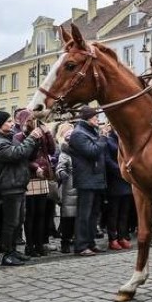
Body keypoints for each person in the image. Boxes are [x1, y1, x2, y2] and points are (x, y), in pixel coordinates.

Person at [0, 111, 43, 266]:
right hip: (8, 185)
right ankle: (7, 254)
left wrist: (35, 141)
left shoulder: (9, 138)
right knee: (10, 222)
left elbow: (27, 155)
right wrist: (31, 138)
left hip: (18, 185)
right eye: (8, 121)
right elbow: (17, 154)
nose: (12, 124)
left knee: (17, 221)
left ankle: (14, 250)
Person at [14, 109, 56, 257]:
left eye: (35, 119)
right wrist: (35, 166)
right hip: (30, 177)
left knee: (41, 213)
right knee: (30, 214)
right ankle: (30, 245)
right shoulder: (19, 136)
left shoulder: (41, 134)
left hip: (43, 175)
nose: (33, 121)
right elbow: (22, 156)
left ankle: (39, 245)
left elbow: (51, 150)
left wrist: (48, 133)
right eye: (30, 119)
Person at [68, 106, 107, 256]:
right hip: (86, 178)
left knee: (94, 213)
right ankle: (81, 245)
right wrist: (103, 137)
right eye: (95, 117)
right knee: (84, 214)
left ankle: (90, 242)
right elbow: (92, 152)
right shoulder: (78, 133)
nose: (98, 119)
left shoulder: (90, 131)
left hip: (95, 177)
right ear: (88, 118)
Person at [104, 125, 133, 250]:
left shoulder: (126, 139)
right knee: (113, 213)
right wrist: (121, 170)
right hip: (115, 180)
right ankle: (113, 238)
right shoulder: (109, 140)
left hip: (126, 180)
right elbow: (107, 160)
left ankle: (122, 236)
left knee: (124, 212)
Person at [54, 126, 77, 254]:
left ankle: (75, 239)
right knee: (67, 218)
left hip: (79, 187)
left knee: (77, 217)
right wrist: (62, 172)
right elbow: (59, 168)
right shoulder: (65, 154)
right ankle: (65, 242)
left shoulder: (80, 152)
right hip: (69, 188)